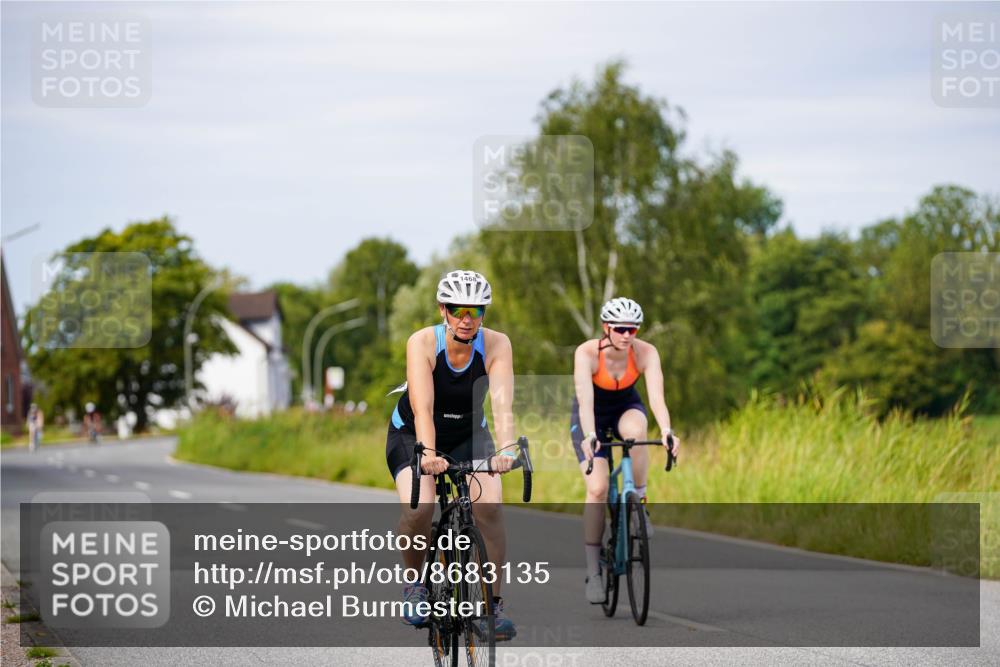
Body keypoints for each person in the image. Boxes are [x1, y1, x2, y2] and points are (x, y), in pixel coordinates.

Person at [386, 269, 518, 639]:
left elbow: (503, 406)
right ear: (443, 309)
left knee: (489, 507)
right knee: (419, 509)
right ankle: (415, 586)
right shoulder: (423, 342)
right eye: (459, 309)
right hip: (413, 434)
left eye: (475, 311)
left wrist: (506, 450)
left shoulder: (496, 344)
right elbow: (423, 408)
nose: (467, 318)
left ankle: (491, 607)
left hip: (468, 434)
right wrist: (427, 454)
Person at [570, 297, 680, 604]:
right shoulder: (587, 353)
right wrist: (591, 435)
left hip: (626, 407)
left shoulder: (645, 352)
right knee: (598, 488)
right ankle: (593, 573)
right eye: (620, 329)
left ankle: (639, 503)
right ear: (606, 328)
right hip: (591, 414)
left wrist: (668, 430)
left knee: (637, 432)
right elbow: (585, 399)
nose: (627, 335)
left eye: (633, 329)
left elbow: (657, 396)